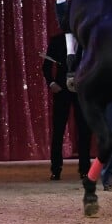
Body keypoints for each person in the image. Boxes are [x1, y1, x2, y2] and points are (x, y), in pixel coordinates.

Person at [42, 32, 91, 180]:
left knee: (84, 130)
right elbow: (46, 66)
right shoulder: (57, 40)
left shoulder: (86, 39)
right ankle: (56, 169)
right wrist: (51, 83)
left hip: (81, 91)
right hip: (62, 90)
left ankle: (84, 169)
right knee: (58, 130)